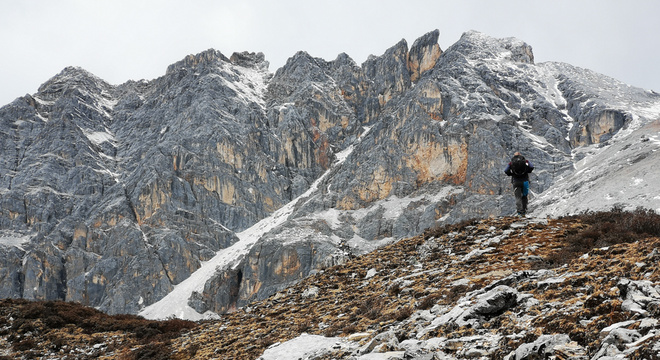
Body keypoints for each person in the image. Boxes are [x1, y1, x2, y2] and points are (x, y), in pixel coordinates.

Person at [504, 152, 534, 217]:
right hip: (525, 181)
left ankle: (519, 213)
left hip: (516, 182)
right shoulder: (525, 161)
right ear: (520, 155)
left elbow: (506, 170)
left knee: (518, 197)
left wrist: (511, 174)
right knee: (524, 196)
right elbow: (531, 167)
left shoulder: (511, 162)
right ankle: (524, 211)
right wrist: (527, 171)